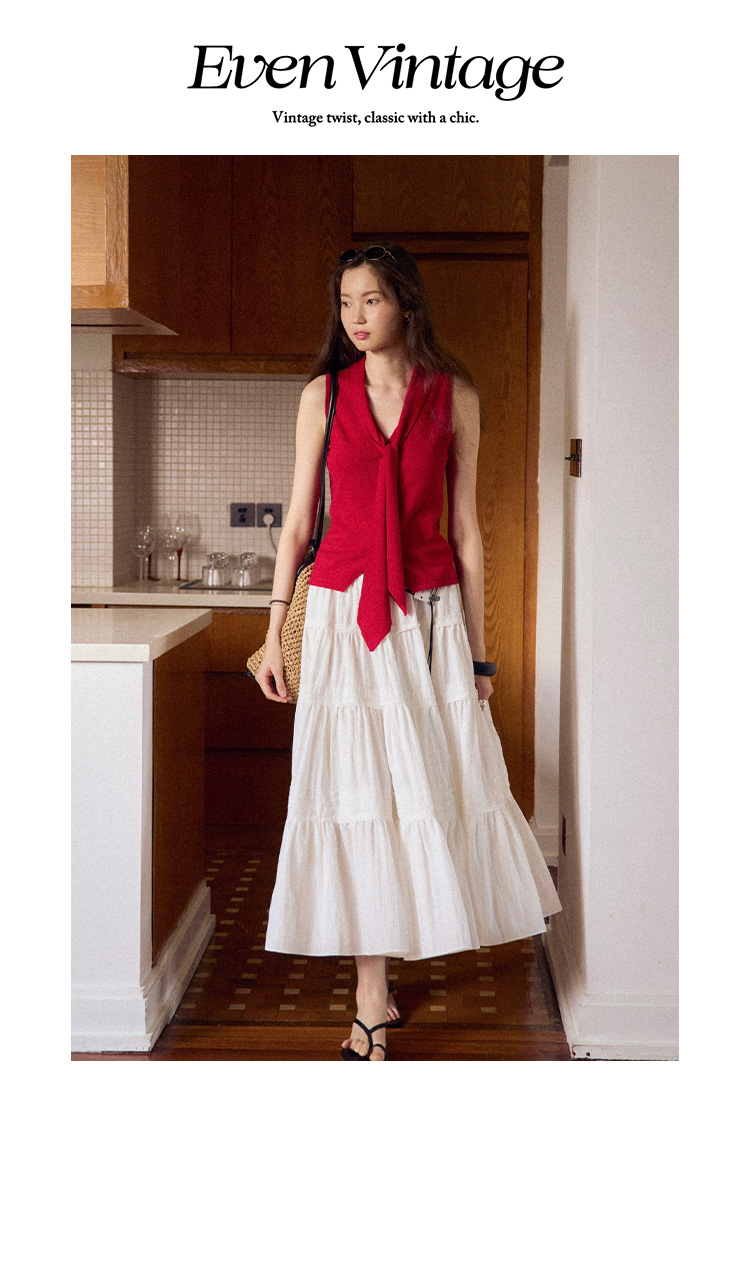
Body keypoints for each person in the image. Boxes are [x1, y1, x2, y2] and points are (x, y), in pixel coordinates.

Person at [254, 243, 562, 1061]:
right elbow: (297, 522)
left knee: (428, 785)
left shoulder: (453, 396)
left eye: (372, 300)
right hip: (342, 614)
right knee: (354, 789)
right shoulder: (323, 396)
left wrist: (479, 658)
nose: (356, 317)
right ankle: (370, 993)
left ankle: (421, 933)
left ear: (406, 304)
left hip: (427, 616)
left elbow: (465, 530)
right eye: (345, 302)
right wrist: (273, 630)